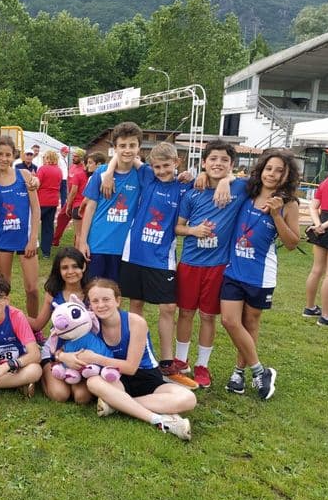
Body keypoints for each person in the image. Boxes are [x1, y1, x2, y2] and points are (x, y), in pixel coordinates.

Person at [110, 142, 199, 390]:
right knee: (135, 305)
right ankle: (135, 355)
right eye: (157, 166)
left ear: (177, 163)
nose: (161, 171)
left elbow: (209, 180)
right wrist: (107, 173)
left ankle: (167, 362)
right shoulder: (147, 175)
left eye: (166, 166)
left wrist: (198, 175)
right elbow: (123, 156)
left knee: (168, 307)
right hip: (135, 252)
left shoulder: (185, 186)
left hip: (161, 257)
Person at [72, 279, 196, 441]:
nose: (100, 305)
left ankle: (117, 404)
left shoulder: (135, 322)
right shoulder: (90, 325)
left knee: (189, 399)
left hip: (146, 377)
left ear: (117, 300)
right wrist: (63, 356)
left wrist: (95, 358)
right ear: (90, 305)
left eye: (106, 299)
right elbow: (62, 344)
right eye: (95, 301)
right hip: (117, 379)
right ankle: (160, 419)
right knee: (93, 382)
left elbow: (131, 367)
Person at [221, 149, 300, 399]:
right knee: (230, 321)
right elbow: (227, 178)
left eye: (279, 170)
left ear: (287, 175)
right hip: (233, 269)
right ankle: (259, 371)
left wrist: (276, 214)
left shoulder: (289, 204)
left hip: (260, 273)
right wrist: (224, 179)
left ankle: (238, 373)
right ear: (261, 169)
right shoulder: (247, 190)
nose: (273, 174)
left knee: (250, 323)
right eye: (269, 168)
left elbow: (292, 243)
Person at [174, 139, 249, 389]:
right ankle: (180, 361)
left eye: (224, 160)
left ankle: (202, 365)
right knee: (185, 313)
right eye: (213, 159)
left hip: (218, 266)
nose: (218, 163)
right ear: (204, 162)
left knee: (208, 316)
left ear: (232, 164)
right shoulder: (193, 192)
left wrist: (228, 180)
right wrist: (193, 230)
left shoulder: (239, 189)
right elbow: (177, 227)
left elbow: (260, 181)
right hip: (190, 263)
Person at [78, 122, 142, 280]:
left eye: (132, 145)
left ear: (139, 148)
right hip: (97, 245)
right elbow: (90, 208)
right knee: (92, 292)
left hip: (123, 248)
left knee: (114, 295)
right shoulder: (100, 173)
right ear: (115, 148)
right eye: (122, 146)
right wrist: (82, 241)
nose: (127, 150)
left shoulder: (142, 175)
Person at [28, 247, 90, 403]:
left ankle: (71, 378)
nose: (70, 271)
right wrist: (13, 314)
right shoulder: (54, 293)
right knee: (60, 395)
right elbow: (38, 324)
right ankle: (43, 375)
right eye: (64, 267)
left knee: (81, 397)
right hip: (55, 350)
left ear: (83, 267)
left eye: (75, 266)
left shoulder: (91, 292)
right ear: (59, 270)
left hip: (83, 350)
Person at [0, 135, 40, 317]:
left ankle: (34, 329)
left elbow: (36, 208)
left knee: (32, 288)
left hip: (26, 239)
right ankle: (6, 324)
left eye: (8, 155)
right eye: (0, 154)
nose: (4, 158)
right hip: (4, 239)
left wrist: (33, 239)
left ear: (14, 156)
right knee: (3, 288)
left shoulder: (24, 175)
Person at [303, 152, 328, 327]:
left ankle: (310, 308)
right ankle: (326, 316)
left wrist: (319, 224)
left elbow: (313, 205)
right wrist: (324, 226)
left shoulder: (327, 181)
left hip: (322, 223)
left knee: (317, 269)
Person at [52, 148, 87, 247]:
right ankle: (55, 240)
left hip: (78, 200)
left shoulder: (83, 170)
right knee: (61, 217)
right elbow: (69, 183)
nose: (73, 157)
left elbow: (77, 188)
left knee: (79, 225)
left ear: (81, 158)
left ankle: (77, 245)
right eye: (73, 155)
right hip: (70, 198)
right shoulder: (72, 167)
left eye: (76, 156)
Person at [37, 150, 63, 258]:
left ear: (47, 158)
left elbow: (37, 183)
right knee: (48, 227)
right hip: (53, 201)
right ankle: (46, 252)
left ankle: (28, 246)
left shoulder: (42, 169)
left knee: (32, 224)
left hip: (42, 199)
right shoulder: (59, 171)